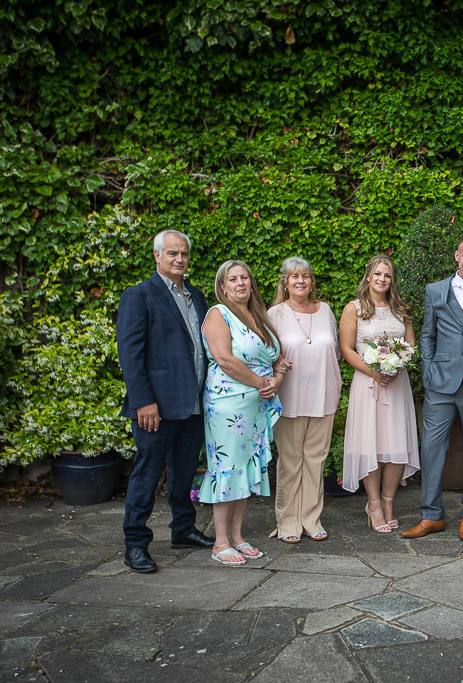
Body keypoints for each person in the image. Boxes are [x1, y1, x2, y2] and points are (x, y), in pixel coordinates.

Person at [117, 230, 215, 573]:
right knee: (147, 474)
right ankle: (135, 543)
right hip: (155, 407)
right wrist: (143, 401)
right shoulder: (139, 295)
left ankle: (183, 530)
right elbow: (130, 353)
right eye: (172, 253)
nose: (179, 259)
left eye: (184, 253)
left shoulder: (196, 296)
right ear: (157, 256)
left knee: (184, 471)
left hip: (192, 403)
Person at [402, 235, 463, 541]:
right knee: (432, 449)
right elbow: (428, 334)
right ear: (457, 256)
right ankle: (431, 515)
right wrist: (429, 370)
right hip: (440, 383)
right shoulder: (434, 291)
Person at [200, 260, 284, 566]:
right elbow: (224, 359)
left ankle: (236, 536)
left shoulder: (257, 315)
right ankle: (220, 542)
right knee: (227, 467)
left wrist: (276, 377)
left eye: (244, 278)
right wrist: (262, 383)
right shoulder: (218, 313)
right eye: (233, 279)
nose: (240, 283)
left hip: (256, 405)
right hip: (228, 405)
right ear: (223, 287)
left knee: (245, 467)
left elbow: (274, 359)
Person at [340, 255, 420, 533]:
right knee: (370, 444)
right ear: (368, 276)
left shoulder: (401, 309)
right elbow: (347, 348)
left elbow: (410, 344)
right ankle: (373, 504)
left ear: (392, 280)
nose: (382, 279)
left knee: (397, 444)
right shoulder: (354, 309)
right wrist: (373, 372)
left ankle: (388, 502)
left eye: (387, 275)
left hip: (397, 384)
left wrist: (398, 364)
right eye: (377, 273)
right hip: (368, 384)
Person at [267, 257, 341, 544]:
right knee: (290, 462)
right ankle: (288, 521)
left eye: (306, 276)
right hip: (289, 398)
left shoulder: (326, 311)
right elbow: (267, 355)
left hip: (323, 395)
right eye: (294, 276)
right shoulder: (275, 314)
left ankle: (311, 519)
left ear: (312, 282)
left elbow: (334, 352)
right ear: (285, 283)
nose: (301, 281)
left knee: (315, 461)